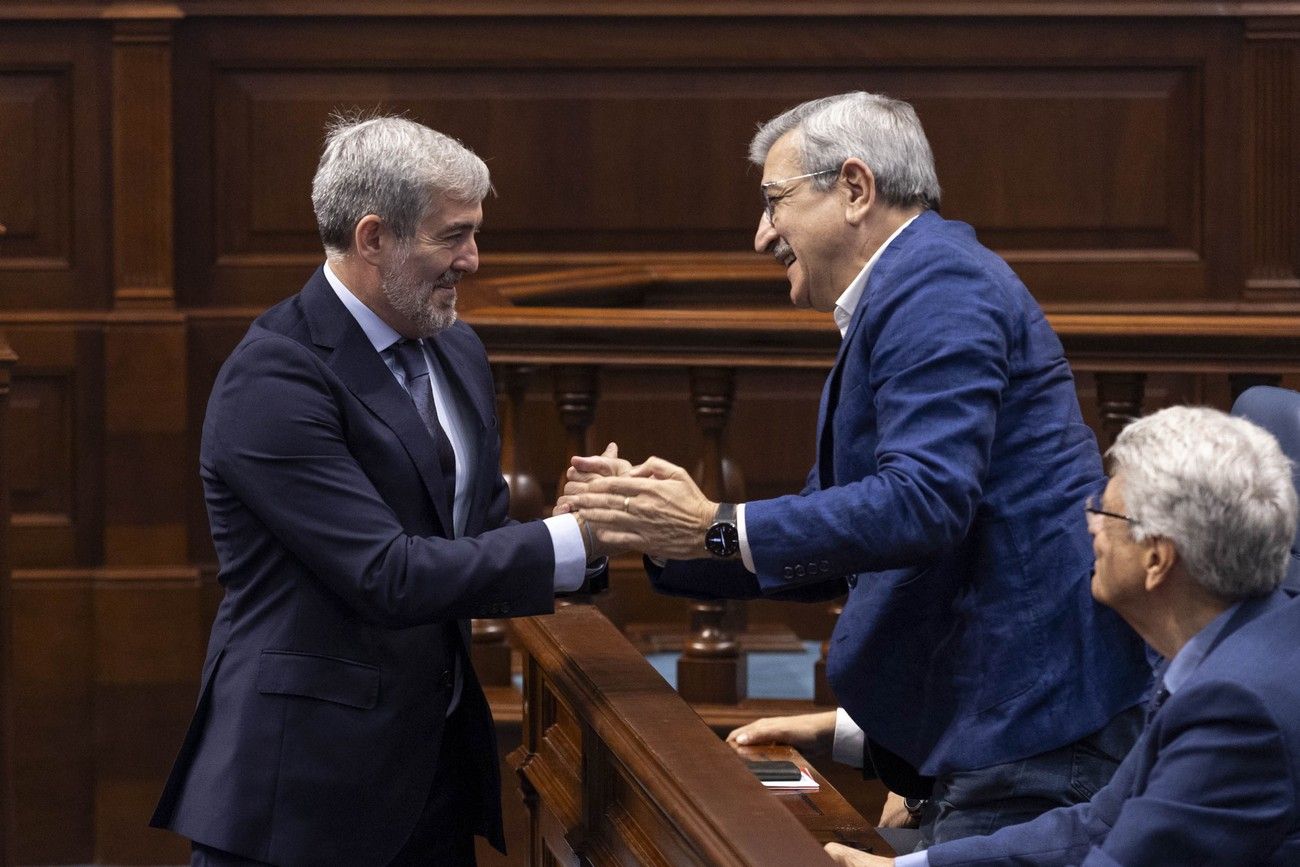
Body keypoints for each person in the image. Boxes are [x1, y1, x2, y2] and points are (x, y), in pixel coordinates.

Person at [560, 91, 1151, 846]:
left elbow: (923, 502)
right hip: (1000, 726)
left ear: (855, 188)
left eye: (775, 202)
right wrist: (661, 534)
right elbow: (836, 531)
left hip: (1030, 731)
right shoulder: (913, 286)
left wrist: (711, 526)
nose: (761, 234)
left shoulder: (939, 286)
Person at [150, 115, 608, 867]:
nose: (474, 258)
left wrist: (581, 525)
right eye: (453, 235)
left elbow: (473, 531)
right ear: (373, 238)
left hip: (429, 775)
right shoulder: (274, 375)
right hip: (302, 796)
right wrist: (567, 545)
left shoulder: (455, 347)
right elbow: (385, 574)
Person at [824, 406, 1300, 866]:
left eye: (1106, 514)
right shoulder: (1242, 645)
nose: (1088, 525)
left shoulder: (1236, 705)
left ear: (1157, 559)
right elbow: (1095, 825)